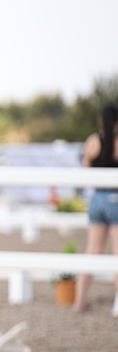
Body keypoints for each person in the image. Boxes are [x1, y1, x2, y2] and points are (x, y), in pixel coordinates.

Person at [73, 103, 118, 314]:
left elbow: (86, 172)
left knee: (92, 252)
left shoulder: (93, 141)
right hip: (116, 199)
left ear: (101, 120)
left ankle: (79, 301)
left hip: (97, 200)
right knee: (117, 255)